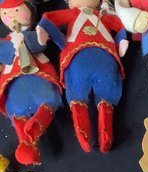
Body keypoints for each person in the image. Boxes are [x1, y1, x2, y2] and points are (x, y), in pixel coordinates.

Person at [36, 0, 128, 152]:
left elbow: (119, 25)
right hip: (76, 54)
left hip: (105, 54)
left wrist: (121, 40)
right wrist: (49, 34)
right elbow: (49, 18)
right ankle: (83, 133)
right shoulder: (72, 13)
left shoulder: (103, 15)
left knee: (106, 89)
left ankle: (106, 132)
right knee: (78, 92)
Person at [0, 0, 62, 164]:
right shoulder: (6, 41)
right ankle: (26, 142)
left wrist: (25, 38)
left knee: (48, 100)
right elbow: (3, 54)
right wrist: (11, 45)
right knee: (17, 110)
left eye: (16, 10)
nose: (11, 15)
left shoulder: (32, 34)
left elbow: (39, 45)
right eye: (5, 13)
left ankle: (33, 130)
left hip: (38, 75)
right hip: (14, 82)